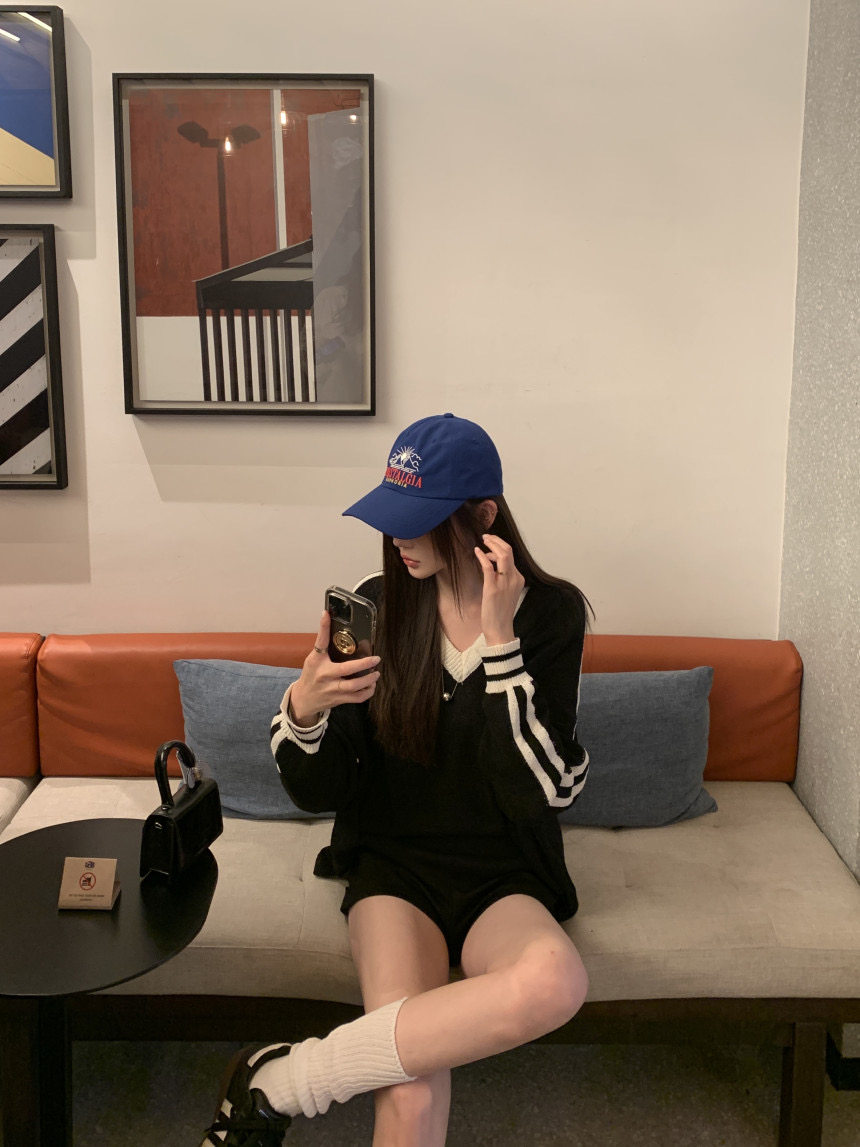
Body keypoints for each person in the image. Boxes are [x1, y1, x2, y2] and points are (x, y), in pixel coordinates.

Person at [202, 412, 592, 1147]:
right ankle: (283, 1080)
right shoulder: (377, 603)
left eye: (418, 521)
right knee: (409, 1094)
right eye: (392, 517)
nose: (398, 538)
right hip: (394, 865)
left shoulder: (551, 613)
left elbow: (547, 790)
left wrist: (501, 644)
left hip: (505, 870)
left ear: (484, 516)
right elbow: (323, 790)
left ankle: (286, 1079)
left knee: (556, 981)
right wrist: (305, 709)